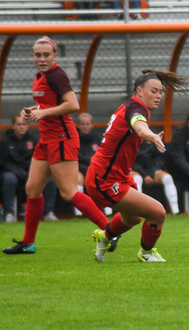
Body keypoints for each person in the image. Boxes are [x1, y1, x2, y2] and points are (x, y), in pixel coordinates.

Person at [3, 37, 110, 255]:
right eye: (38, 55)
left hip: (62, 138)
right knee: (32, 189)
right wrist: (33, 110)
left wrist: (42, 112)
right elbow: (50, 104)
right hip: (47, 138)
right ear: (33, 56)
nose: (42, 59)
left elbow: (73, 105)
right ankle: (28, 243)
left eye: (46, 55)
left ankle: (110, 230)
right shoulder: (41, 76)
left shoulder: (57, 75)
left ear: (55, 56)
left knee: (69, 192)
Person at [86, 69, 187, 263]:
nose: (158, 96)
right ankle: (146, 253)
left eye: (160, 92)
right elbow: (139, 126)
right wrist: (151, 136)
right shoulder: (137, 109)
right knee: (157, 212)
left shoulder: (132, 106)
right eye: (154, 91)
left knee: (133, 218)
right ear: (139, 91)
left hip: (117, 174)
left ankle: (104, 236)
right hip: (104, 178)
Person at [0, 114, 58, 223]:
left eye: (24, 124)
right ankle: (9, 214)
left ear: (28, 126)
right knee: (9, 179)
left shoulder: (35, 140)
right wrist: (18, 172)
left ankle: (48, 213)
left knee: (50, 180)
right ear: (13, 126)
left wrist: (30, 172)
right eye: (19, 124)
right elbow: (4, 163)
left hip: (31, 171)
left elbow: (40, 159)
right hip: (12, 172)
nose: (22, 127)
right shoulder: (5, 141)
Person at [131, 137, 180, 215]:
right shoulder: (132, 140)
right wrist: (145, 175)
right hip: (135, 171)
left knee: (167, 178)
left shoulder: (157, 140)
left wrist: (151, 174)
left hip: (153, 171)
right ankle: (139, 211)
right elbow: (131, 161)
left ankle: (176, 211)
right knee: (137, 179)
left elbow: (159, 161)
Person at [76, 113, 112, 218]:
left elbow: (103, 156)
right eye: (82, 124)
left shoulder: (98, 139)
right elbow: (75, 156)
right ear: (78, 125)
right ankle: (79, 214)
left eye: (87, 124)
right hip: (79, 168)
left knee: (102, 178)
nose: (85, 126)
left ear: (92, 125)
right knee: (78, 179)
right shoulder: (74, 139)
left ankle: (108, 212)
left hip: (94, 169)